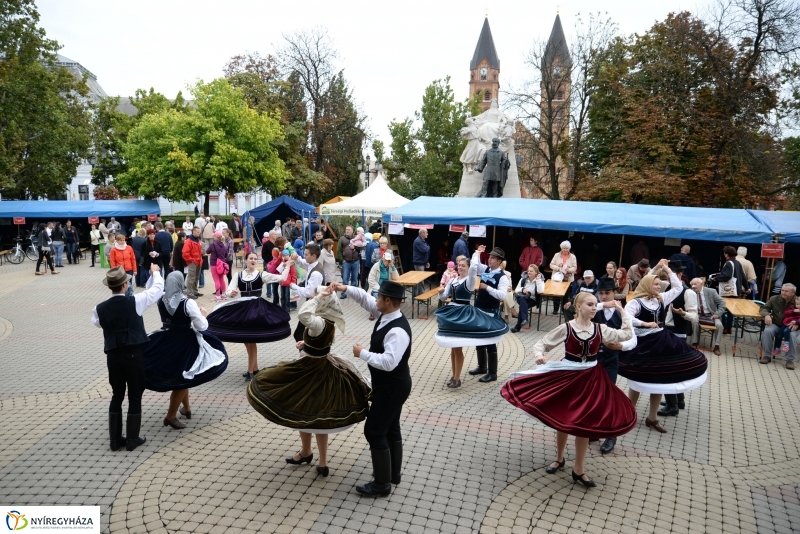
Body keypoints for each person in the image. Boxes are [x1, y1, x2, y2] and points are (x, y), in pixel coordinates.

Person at [501, 293, 635, 488]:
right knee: (563, 418)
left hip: (592, 379)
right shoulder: (567, 328)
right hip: (569, 376)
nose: (593, 308)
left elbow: (627, 334)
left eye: (595, 305)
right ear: (578, 306)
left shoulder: (601, 329)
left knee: (584, 423)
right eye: (589, 304)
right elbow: (542, 343)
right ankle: (559, 458)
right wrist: (539, 355)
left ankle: (579, 470)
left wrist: (622, 310)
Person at [247, 285, 371, 478]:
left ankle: (309, 453)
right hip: (323, 368)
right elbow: (321, 344)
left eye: (317, 297)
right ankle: (317, 459)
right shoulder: (329, 321)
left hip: (310, 370)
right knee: (317, 415)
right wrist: (306, 344)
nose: (314, 298)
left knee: (303, 410)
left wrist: (317, 297)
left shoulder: (320, 322)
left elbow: (303, 315)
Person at [330, 280, 412, 497]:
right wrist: (345, 288)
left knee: (374, 431)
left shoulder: (398, 331)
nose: (375, 300)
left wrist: (362, 353)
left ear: (387, 300)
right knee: (391, 427)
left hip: (393, 387)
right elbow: (365, 300)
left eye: (379, 297)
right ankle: (393, 475)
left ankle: (382, 484)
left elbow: (389, 362)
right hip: (390, 385)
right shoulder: (386, 314)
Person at [620, 260, 709, 434]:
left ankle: (652, 418)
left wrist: (667, 269)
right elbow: (627, 317)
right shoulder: (636, 302)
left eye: (659, 284)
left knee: (660, 380)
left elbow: (677, 288)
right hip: (643, 345)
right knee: (638, 380)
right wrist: (644, 323)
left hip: (661, 342)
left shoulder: (661, 299)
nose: (659, 287)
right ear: (647, 285)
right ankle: (627, 414)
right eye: (655, 284)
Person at [92, 263, 163, 452]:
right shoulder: (136, 301)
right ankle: (132, 439)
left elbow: (98, 324)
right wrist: (155, 273)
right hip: (133, 354)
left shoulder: (99, 308)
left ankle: (115, 440)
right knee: (135, 394)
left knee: (117, 394)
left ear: (110, 286)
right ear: (125, 285)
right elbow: (157, 290)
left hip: (113, 355)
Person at [143, 272, 228, 430]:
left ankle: (187, 409)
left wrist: (153, 274)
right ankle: (170, 416)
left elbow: (149, 289)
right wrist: (203, 315)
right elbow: (201, 326)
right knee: (183, 377)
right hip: (183, 342)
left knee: (183, 373)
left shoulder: (161, 298)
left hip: (164, 338)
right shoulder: (187, 302)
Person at [206, 252, 292, 381]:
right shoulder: (238, 275)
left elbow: (281, 278)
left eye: (255, 259)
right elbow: (229, 290)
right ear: (246, 261)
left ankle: (250, 371)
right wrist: (232, 293)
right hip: (242, 308)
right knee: (247, 341)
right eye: (251, 258)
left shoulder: (261, 274)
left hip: (256, 310)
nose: (253, 260)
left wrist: (288, 266)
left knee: (251, 340)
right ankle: (254, 368)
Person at [436, 254, 498, 388]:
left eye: (464, 265)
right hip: (452, 311)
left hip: (462, 314)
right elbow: (444, 297)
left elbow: (474, 270)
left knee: (457, 347)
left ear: (469, 268)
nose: (461, 267)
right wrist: (440, 292)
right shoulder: (453, 280)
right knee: (453, 348)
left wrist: (476, 254)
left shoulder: (469, 281)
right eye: (459, 265)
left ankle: (457, 378)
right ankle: (454, 376)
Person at [591, 277, 626, 453]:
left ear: (614, 293)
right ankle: (595, 430)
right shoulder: (593, 309)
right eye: (601, 293)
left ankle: (611, 435)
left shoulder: (622, 312)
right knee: (593, 395)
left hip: (611, 360)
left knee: (609, 396)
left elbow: (632, 337)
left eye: (607, 293)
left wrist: (622, 346)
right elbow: (579, 309)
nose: (603, 296)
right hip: (592, 360)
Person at [658, 261, 698, 416]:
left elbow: (695, 317)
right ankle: (678, 400)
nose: (669, 277)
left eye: (672, 274)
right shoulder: (666, 287)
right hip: (666, 330)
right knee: (674, 369)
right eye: (668, 274)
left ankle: (672, 406)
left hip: (678, 334)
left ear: (680, 275)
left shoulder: (689, 292)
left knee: (669, 370)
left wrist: (683, 313)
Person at [466, 246, 510, 383]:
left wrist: (488, 288)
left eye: (492, 258)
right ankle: (482, 367)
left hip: (491, 311)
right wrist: (477, 253)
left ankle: (492, 373)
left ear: (499, 261)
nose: (489, 259)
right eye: (489, 257)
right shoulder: (485, 269)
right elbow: (474, 266)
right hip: (479, 308)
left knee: (490, 341)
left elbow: (502, 295)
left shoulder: (503, 277)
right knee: (479, 338)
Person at [759, 284, 799, 369]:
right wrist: (766, 315)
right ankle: (767, 355)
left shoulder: (798, 301)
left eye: (786, 291)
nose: (783, 293)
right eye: (782, 290)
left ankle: (790, 360)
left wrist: (797, 323)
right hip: (777, 324)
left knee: (791, 336)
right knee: (767, 331)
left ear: (793, 293)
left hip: (792, 325)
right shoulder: (774, 298)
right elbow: (763, 308)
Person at [290, 242, 325, 335]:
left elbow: (308, 293)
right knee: (301, 333)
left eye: (306, 254)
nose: (304, 256)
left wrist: (293, 286)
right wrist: (296, 258)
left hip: (315, 306)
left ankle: (307, 348)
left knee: (301, 334)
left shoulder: (316, 273)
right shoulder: (312, 263)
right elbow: (302, 263)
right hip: (312, 304)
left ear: (314, 256)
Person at [712, 245, 748, 334]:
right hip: (736, 291)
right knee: (731, 311)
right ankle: (729, 328)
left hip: (728, 292)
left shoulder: (728, 263)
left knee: (723, 309)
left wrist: (716, 278)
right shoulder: (737, 263)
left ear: (726, 254)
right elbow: (743, 277)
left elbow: (726, 276)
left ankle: (724, 327)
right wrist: (747, 287)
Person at [689, 277, 725, 355]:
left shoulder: (711, 291)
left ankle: (717, 346)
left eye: (695, 284)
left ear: (701, 284)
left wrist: (717, 314)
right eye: (692, 284)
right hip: (698, 313)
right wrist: (693, 313)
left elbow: (722, 303)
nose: (693, 286)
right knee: (694, 321)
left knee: (719, 325)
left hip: (711, 314)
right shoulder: (691, 292)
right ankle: (695, 343)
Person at [510, 264, 545, 333]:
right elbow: (516, 289)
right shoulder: (523, 278)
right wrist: (522, 289)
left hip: (532, 299)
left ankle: (518, 327)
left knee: (523, 307)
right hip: (521, 297)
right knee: (523, 301)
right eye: (528, 271)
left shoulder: (540, 279)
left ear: (536, 272)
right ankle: (524, 319)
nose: (529, 272)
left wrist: (538, 280)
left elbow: (540, 291)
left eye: (531, 271)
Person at [368, 251, 400, 321]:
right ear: (383, 259)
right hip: (376, 286)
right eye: (386, 260)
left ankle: (387, 311)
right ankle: (374, 311)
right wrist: (379, 288)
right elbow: (370, 279)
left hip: (386, 287)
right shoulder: (376, 266)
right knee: (377, 294)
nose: (387, 262)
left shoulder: (390, 266)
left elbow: (397, 278)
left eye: (389, 261)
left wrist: (393, 267)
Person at [549, 241, 577, 314]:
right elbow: (551, 265)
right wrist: (558, 268)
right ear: (561, 248)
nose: (565, 250)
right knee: (556, 294)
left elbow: (575, 267)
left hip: (568, 278)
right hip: (557, 278)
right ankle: (555, 309)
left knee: (566, 295)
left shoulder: (573, 257)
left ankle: (563, 310)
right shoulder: (556, 255)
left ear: (569, 248)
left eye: (567, 248)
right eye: (564, 248)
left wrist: (569, 270)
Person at [338, 226, 360, 297]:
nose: (347, 231)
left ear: (352, 230)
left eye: (348, 229)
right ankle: (344, 293)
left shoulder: (357, 238)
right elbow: (339, 251)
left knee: (354, 278)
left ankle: (353, 294)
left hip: (355, 261)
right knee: (345, 279)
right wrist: (342, 260)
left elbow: (362, 247)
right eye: (346, 229)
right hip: (346, 262)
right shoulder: (342, 239)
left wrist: (355, 247)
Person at [207, 231, 230, 301]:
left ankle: (218, 296)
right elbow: (226, 255)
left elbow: (207, 251)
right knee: (221, 279)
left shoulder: (213, 245)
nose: (213, 237)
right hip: (221, 265)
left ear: (217, 237)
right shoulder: (224, 245)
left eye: (214, 236)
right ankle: (223, 294)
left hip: (214, 264)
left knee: (216, 280)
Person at [183, 227, 203, 299]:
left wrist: (200, 259)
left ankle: (194, 291)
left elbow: (200, 252)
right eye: (198, 232)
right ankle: (189, 293)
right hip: (192, 262)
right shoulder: (189, 241)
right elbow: (185, 253)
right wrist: (191, 260)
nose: (199, 233)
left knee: (196, 277)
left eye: (199, 232)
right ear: (193, 232)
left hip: (198, 261)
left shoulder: (198, 240)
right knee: (191, 277)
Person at [412, 228, 431, 295]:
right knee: (420, 279)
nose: (427, 234)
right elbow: (425, 250)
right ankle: (420, 294)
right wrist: (428, 247)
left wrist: (426, 262)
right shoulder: (418, 241)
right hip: (419, 263)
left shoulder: (422, 241)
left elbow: (426, 251)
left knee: (420, 279)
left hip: (422, 262)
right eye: (426, 233)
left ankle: (418, 294)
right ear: (422, 233)